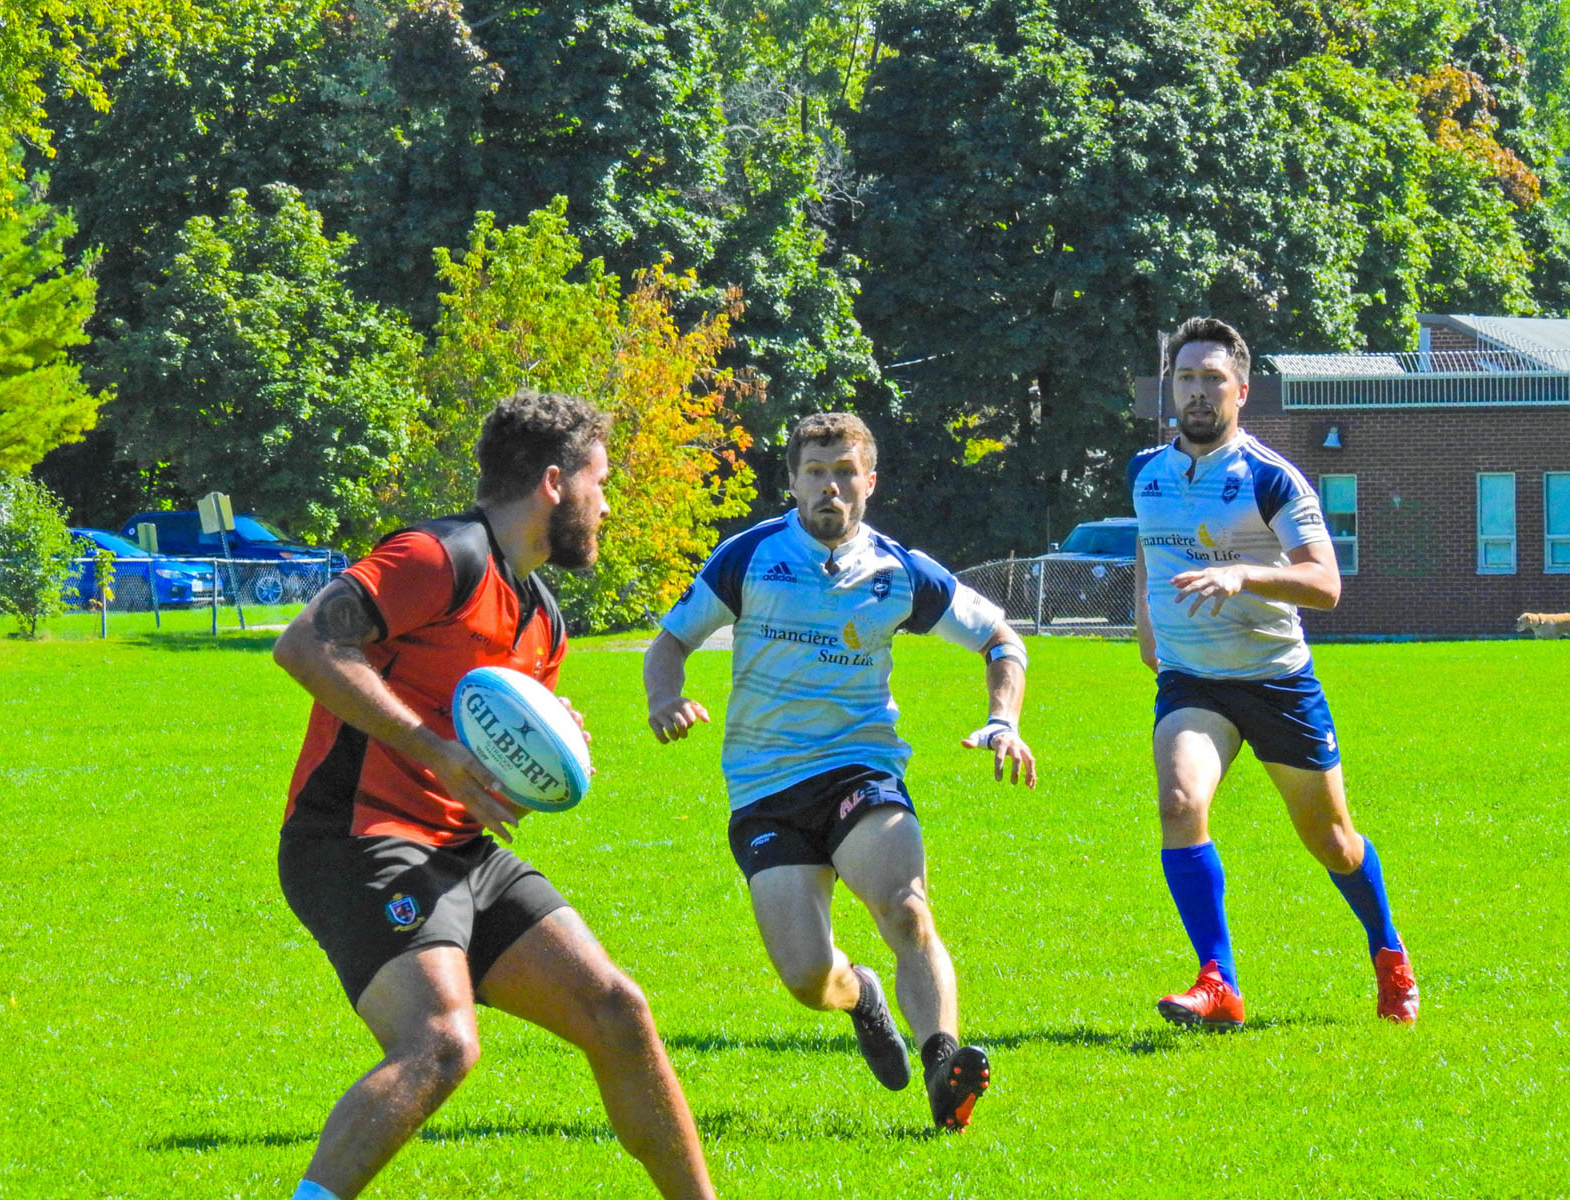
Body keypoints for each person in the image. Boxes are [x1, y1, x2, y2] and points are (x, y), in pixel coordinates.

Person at [272, 390, 715, 1200]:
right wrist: (433, 750)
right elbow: (305, 643)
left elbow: (488, 741)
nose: (607, 504)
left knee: (618, 1011)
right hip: (355, 839)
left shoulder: (542, 620)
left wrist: (546, 740)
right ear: (555, 483)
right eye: (601, 482)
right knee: (440, 1041)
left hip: (462, 851)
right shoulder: (438, 558)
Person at [643, 412, 1036, 1132]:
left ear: (870, 481)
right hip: (765, 790)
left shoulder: (897, 569)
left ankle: (944, 1067)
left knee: (906, 907)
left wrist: (1003, 719)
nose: (832, 487)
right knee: (804, 978)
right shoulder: (749, 557)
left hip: (861, 768)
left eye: (846, 472)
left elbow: (1001, 639)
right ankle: (859, 995)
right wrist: (665, 698)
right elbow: (668, 642)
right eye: (816, 473)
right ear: (791, 481)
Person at [1130, 317, 1420, 1032]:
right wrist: (1147, 628)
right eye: (1186, 377)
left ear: (1242, 390)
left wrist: (1244, 575)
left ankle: (1389, 955)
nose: (1198, 392)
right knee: (1177, 803)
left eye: (1213, 379)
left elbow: (1325, 584)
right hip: (1193, 680)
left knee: (1332, 842)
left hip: (1276, 681)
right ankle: (1218, 982)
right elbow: (1149, 549)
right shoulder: (1147, 471)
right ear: (1170, 387)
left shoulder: (1269, 477)